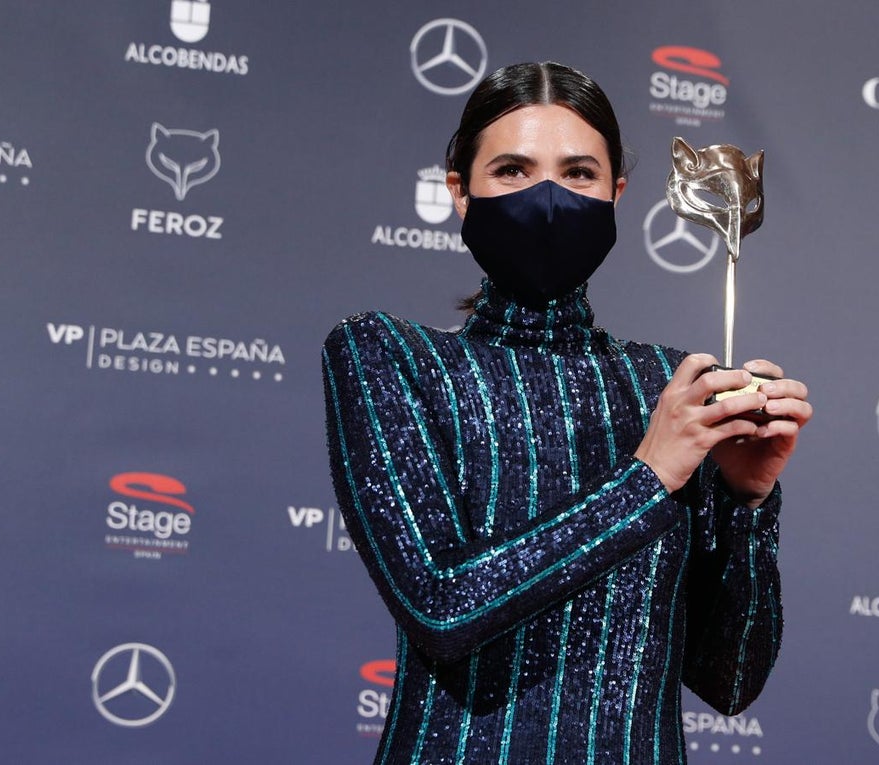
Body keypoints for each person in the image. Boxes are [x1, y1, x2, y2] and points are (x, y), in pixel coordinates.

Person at [323, 61, 812, 764]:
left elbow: (730, 680)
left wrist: (748, 503)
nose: (548, 198)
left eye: (579, 173)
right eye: (512, 171)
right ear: (460, 191)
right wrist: (647, 478)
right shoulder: (389, 356)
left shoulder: (670, 388)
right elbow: (442, 604)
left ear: (616, 194)